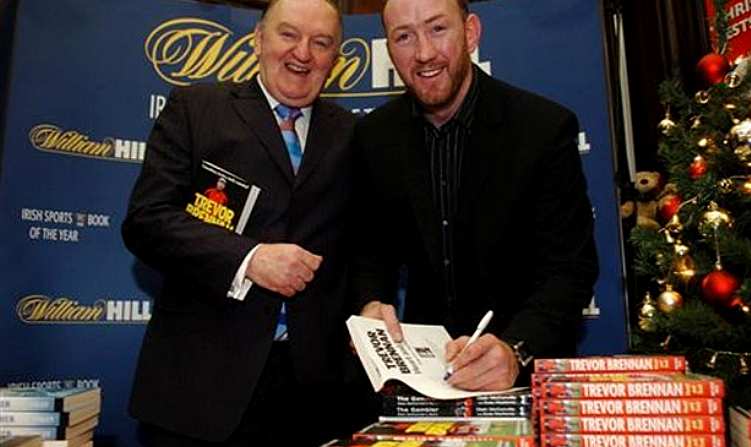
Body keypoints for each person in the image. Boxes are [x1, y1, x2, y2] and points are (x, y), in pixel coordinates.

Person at [122, 0, 355, 445]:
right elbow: (146, 221)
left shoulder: (351, 133)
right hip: (199, 391)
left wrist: (372, 302)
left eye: (321, 42)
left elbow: (365, 244)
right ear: (258, 40)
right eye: (288, 34)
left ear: (335, 60)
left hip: (313, 396)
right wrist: (249, 259)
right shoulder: (197, 108)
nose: (302, 53)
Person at [350, 0, 599, 392]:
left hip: (527, 380)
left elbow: (569, 270)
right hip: (424, 381)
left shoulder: (543, 129)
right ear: (388, 48)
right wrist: (370, 303)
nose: (424, 53)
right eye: (404, 37)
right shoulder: (374, 137)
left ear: (470, 32)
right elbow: (369, 252)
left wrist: (516, 350)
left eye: (437, 29)